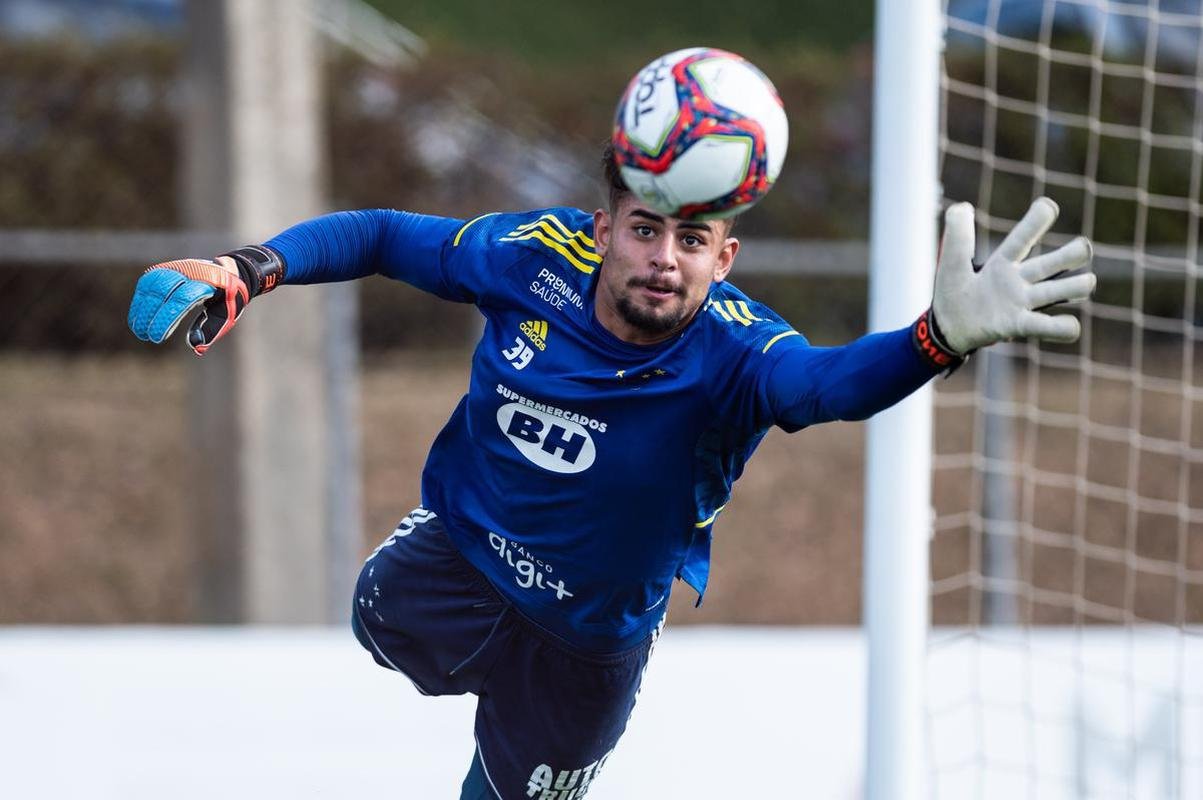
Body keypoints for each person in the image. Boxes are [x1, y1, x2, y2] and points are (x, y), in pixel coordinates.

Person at [127, 144, 1095, 798]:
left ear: (726, 256)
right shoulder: (526, 256)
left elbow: (825, 387)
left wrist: (937, 339)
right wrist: (249, 267)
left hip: (591, 641)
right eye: (643, 229)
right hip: (452, 568)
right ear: (602, 228)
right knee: (375, 615)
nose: (663, 259)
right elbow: (382, 234)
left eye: (691, 241)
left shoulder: (739, 349)